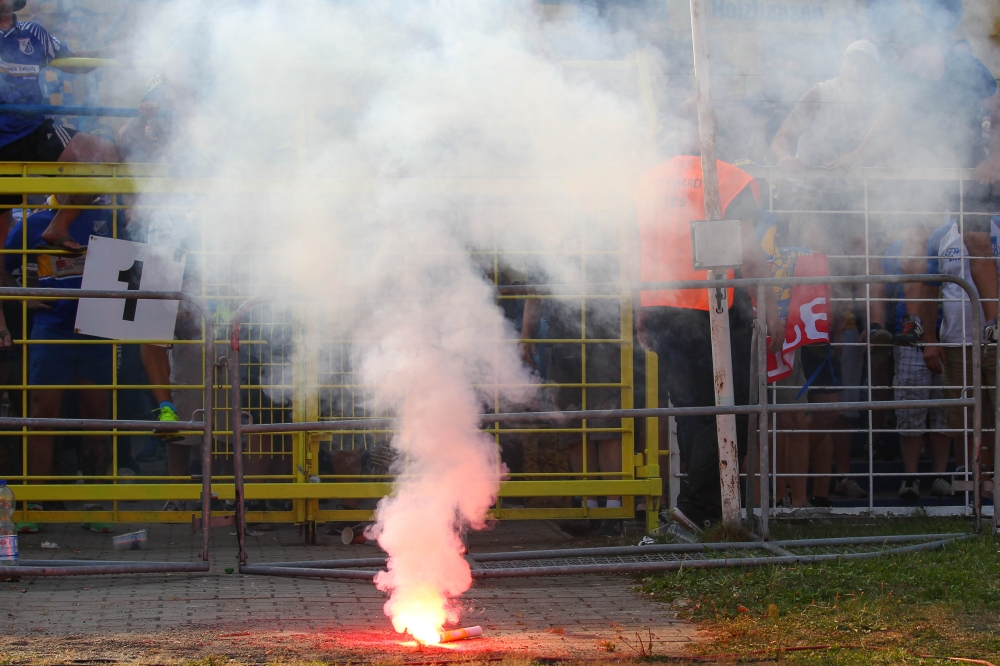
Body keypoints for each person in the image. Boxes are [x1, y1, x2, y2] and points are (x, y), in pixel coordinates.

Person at [632, 102, 782, 529]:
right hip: (714, 306)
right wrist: (769, 306)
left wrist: (641, 308)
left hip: (663, 307)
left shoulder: (647, 181)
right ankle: (698, 509)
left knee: (690, 410)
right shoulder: (729, 178)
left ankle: (701, 509)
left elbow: (637, 249)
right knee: (729, 410)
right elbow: (749, 251)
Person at [829, 13, 1000, 346]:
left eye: (901, 50)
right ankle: (915, 320)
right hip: (925, 165)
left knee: (977, 240)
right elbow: (888, 118)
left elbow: (996, 112)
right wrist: (857, 154)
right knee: (914, 239)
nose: (897, 59)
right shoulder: (907, 76)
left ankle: (994, 322)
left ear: (923, 45)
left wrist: (993, 159)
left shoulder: (965, 66)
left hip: (969, 166)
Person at [0, 0, 120, 355]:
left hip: (33, 130)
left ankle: (59, 225)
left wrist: (108, 53)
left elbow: (74, 61)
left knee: (105, 155)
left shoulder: (34, 33)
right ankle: (3, 322)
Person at [5, 195, 116, 532]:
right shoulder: (34, 223)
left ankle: (95, 502)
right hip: (51, 329)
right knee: (42, 413)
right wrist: (23, 297)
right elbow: (2, 265)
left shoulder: (105, 214)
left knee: (97, 415)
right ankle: (36, 502)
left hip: (97, 328)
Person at [769, 39, 890, 343]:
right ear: (842, 65)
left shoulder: (883, 102)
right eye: (853, 61)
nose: (858, 68)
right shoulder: (821, 93)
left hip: (854, 194)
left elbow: (891, 145)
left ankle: (876, 332)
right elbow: (781, 138)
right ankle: (820, 336)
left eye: (865, 63)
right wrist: (785, 158)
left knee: (866, 249)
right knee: (819, 247)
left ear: (876, 71)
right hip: (811, 191)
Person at [521, 290, 624, 536]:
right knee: (572, 428)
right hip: (562, 342)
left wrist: (526, 334)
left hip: (603, 338)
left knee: (606, 425)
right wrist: (525, 335)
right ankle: (588, 508)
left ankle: (613, 511)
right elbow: (535, 289)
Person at [922, 215, 997, 502]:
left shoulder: (997, 225)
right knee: (963, 418)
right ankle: (977, 486)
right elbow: (930, 288)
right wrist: (930, 339)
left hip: (995, 340)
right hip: (955, 342)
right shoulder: (940, 234)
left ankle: (995, 483)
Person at [884, 239, 953, 500]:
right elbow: (885, 288)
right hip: (910, 339)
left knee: (945, 411)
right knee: (910, 409)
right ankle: (910, 477)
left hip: (951, 336)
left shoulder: (948, 238)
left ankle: (940, 475)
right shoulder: (898, 244)